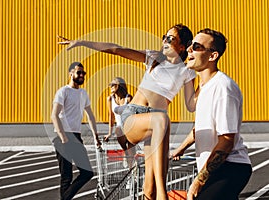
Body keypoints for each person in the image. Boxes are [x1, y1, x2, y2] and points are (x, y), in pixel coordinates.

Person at [57, 24, 197, 199]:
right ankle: (164, 196)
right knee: (162, 119)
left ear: (182, 46)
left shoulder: (186, 72)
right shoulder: (154, 58)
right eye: (164, 36)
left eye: (170, 38)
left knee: (149, 187)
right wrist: (82, 42)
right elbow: (117, 49)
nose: (164, 41)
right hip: (133, 116)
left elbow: (191, 105)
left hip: (153, 128)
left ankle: (156, 194)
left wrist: (206, 75)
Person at [171, 28, 252, 200]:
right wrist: (179, 149)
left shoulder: (223, 88)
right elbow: (200, 127)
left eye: (197, 46)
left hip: (230, 167)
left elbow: (227, 142)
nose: (189, 50)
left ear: (212, 56)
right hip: (218, 168)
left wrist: (198, 182)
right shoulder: (204, 88)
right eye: (190, 46)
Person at [51, 62, 101, 200]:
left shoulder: (83, 93)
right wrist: (63, 137)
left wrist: (95, 136)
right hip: (64, 137)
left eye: (83, 73)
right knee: (66, 177)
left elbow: (90, 116)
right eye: (78, 72)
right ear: (71, 74)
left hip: (76, 137)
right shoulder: (63, 91)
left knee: (87, 172)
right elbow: (54, 115)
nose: (81, 75)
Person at [104, 77, 134, 167]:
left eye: (113, 85)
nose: (111, 87)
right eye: (110, 85)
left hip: (130, 127)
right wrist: (109, 133)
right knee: (118, 130)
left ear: (119, 86)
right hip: (120, 128)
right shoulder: (110, 99)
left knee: (131, 154)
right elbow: (111, 116)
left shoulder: (128, 98)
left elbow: (133, 115)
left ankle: (132, 173)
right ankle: (125, 152)